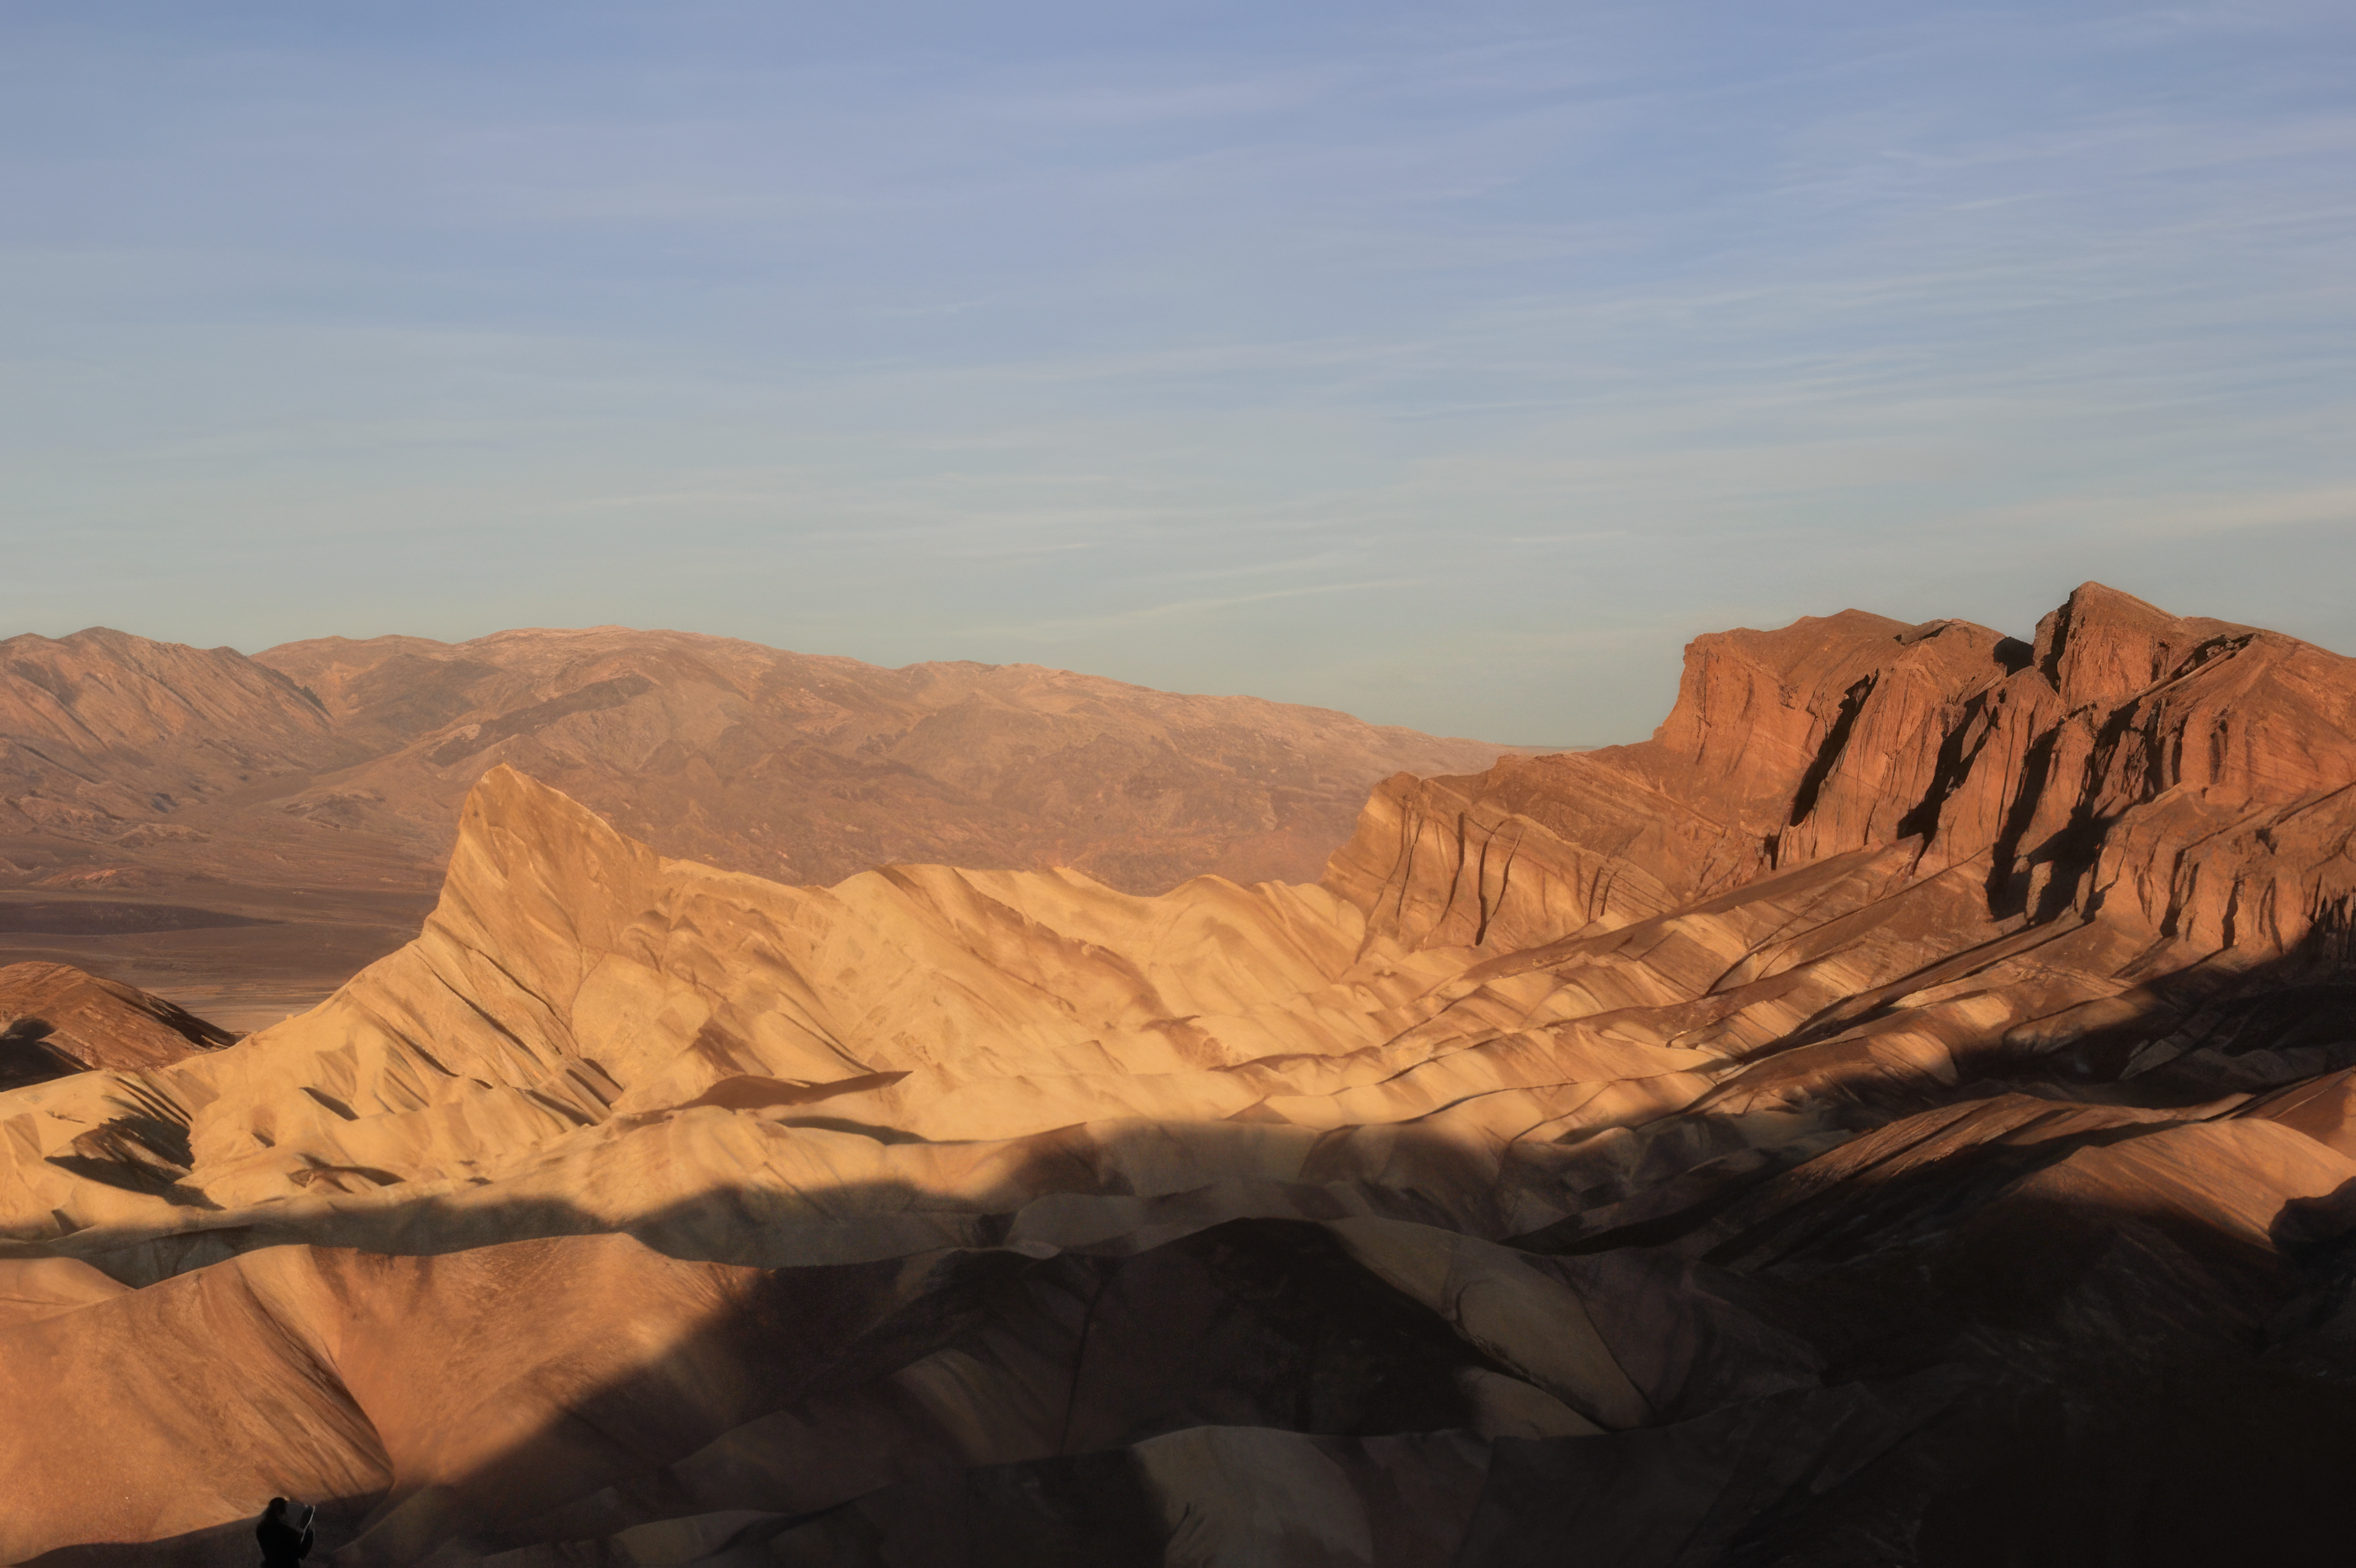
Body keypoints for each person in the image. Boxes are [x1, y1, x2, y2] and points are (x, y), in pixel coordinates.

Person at [256, 1496, 315, 1565]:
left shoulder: (261, 1528)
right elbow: (300, 1553)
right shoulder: (287, 1533)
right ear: (280, 1512)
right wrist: (309, 1534)